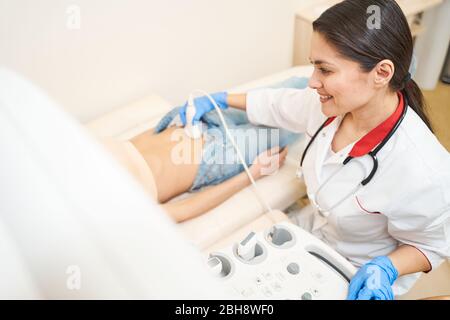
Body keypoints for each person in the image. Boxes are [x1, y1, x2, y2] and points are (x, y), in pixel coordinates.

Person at [178, 0, 450, 300]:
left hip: (356, 272)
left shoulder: (427, 171)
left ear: (382, 73)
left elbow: (431, 245)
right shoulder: (328, 107)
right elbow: (277, 104)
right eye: (313, 66)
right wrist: (219, 99)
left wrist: (386, 268)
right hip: (309, 234)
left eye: (325, 70)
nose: (312, 82)